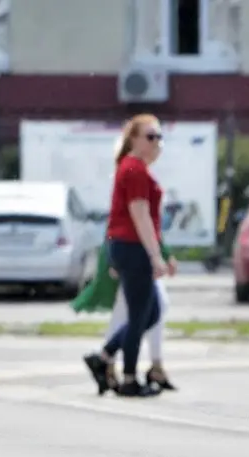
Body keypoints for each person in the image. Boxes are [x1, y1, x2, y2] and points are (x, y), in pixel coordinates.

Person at [82, 114, 174, 398]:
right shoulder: (133, 169)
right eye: (150, 136)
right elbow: (139, 215)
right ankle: (130, 379)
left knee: (152, 312)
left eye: (159, 136)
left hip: (127, 246)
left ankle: (105, 357)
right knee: (139, 315)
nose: (156, 142)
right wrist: (155, 256)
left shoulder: (134, 168)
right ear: (133, 139)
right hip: (133, 247)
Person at [71, 224, 178, 393]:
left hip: (132, 247)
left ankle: (108, 363)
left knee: (140, 311)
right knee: (142, 312)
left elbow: (147, 220)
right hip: (131, 249)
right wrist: (160, 255)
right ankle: (116, 368)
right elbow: (135, 216)